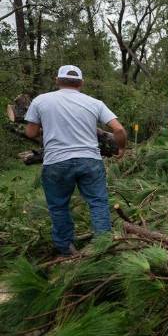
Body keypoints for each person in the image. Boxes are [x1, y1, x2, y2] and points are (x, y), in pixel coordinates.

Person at [24, 65, 127, 256]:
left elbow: (30, 132)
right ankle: (103, 246)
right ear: (81, 83)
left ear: (57, 80)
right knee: (98, 203)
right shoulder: (95, 103)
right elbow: (119, 130)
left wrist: (47, 129)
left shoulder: (41, 100)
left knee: (59, 206)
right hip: (90, 160)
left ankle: (67, 249)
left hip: (56, 162)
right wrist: (120, 148)